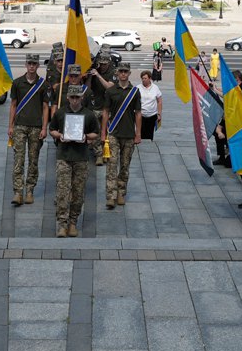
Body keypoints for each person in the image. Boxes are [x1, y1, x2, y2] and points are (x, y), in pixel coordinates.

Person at [48, 80, 100, 237]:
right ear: (68, 97)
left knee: (78, 192)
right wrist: (60, 135)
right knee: (62, 192)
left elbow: (95, 134)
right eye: (72, 97)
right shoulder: (61, 113)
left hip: (81, 158)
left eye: (78, 97)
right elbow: (52, 130)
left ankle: (73, 222)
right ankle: (61, 225)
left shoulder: (88, 115)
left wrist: (85, 137)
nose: (75, 100)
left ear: (82, 98)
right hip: (64, 156)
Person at [8, 53, 50, 206]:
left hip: (36, 127)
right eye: (29, 63)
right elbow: (13, 105)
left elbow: (46, 107)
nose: (32, 66)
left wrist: (44, 128)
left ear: (38, 66)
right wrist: (10, 126)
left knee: (33, 160)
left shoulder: (43, 85)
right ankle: (18, 192)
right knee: (18, 160)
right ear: (26, 65)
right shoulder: (17, 83)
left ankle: (30, 190)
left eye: (34, 64)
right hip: (20, 126)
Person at [99, 64, 142, 209]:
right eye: (121, 72)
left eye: (125, 72)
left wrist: (138, 134)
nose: (123, 74)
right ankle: (110, 195)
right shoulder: (111, 91)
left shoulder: (135, 92)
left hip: (129, 134)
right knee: (111, 165)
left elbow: (138, 113)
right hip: (114, 134)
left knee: (124, 166)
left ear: (129, 73)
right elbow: (105, 112)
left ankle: (121, 193)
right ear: (117, 73)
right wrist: (103, 132)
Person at [137, 69, 163, 140]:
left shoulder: (155, 88)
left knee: (150, 134)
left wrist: (159, 114)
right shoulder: (137, 88)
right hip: (141, 115)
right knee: (141, 133)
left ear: (150, 78)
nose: (143, 80)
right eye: (142, 78)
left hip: (152, 115)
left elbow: (159, 101)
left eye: (145, 78)